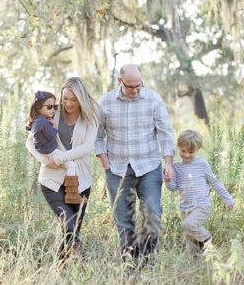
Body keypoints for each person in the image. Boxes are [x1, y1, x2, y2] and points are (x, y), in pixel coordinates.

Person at [95, 64, 175, 265]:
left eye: (139, 85)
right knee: (124, 222)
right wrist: (106, 165)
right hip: (117, 169)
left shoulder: (154, 99)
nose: (136, 90)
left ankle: (148, 262)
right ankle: (130, 266)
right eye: (131, 87)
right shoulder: (105, 101)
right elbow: (97, 137)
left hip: (149, 166)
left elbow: (165, 132)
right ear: (120, 82)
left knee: (153, 212)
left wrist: (168, 163)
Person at [25, 77, 100, 260]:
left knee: (71, 231)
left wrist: (60, 158)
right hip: (52, 179)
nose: (67, 103)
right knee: (69, 222)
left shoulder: (92, 115)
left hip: (80, 179)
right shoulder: (53, 112)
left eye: (73, 100)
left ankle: (61, 269)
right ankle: (81, 260)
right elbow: (30, 141)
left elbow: (86, 147)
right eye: (65, 98)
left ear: (82, 99)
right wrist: (46, 160)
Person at [164, 129, 235, 256]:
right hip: (185, 208)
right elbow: (173, 187)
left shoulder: (202, 164)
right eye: (183, 151)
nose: (186, 155)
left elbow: (215, 182)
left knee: (189, 225)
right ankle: (198, 266)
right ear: (179, 147)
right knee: (190, 244)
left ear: (198, 150)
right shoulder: (176, 167)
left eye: (191, 152)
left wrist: (228, 199)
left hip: (201, 205)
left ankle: (207, 239)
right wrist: (168, 180)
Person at [26, 90, 82, 204]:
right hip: (50, 151)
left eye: (55, 107)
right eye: (50, 107)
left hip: (45, 151)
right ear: (39, 107)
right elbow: (50, 135)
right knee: (71, 165)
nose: (53, 110)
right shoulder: (42, 122)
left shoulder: (37, 120)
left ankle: (70, 194)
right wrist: (54, 127)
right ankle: (71, 195)